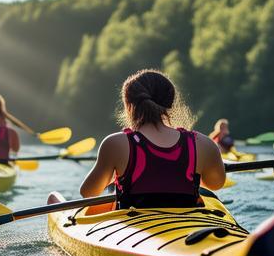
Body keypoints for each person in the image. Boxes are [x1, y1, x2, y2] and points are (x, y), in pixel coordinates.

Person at [79, 69, 226, 209]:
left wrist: (117, 176)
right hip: (188, 228)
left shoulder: (115, 144)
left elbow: (88, 193)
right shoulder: (203, 144)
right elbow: (216, 184)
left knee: (54, 197)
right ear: (169, 102)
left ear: (129, 106)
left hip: (135, 227)